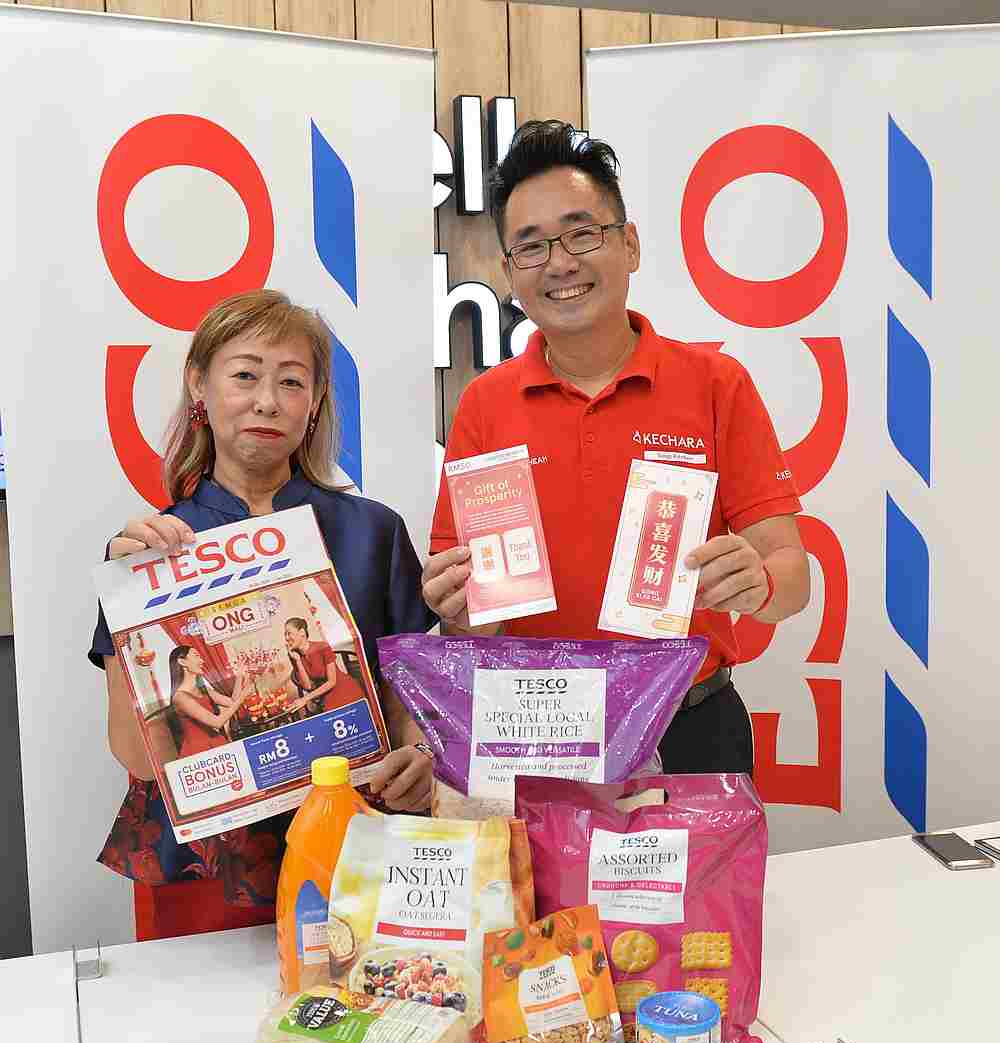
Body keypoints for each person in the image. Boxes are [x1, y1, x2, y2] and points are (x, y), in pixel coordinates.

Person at [422, 121, 810, 776]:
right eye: (532, 246)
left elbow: (792, 578)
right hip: (535, 734)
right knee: (530, 886)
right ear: (511, 272)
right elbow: (471, 621)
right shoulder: (485, 405)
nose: (561, 263)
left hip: (689, 728)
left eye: (581, 233)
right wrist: (457, 611)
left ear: (628, 244)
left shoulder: (717, 385)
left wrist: (758, 580)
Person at [91, 289, 436, 939]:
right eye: (245, 374)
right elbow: (138, 755)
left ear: (315, 404)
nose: (267, 400)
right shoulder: (149, 553)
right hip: (206, 873)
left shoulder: (374, 533)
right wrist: (126, 603)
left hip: (354, 855)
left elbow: (408, 723)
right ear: (200, 384)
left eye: (291, 381)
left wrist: (418, 765)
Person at [168, 644, 249, 758]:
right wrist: (244, 696)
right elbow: (216, 722)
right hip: (199, 753)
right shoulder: (180, 697)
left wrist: (240, 675)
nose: (202, 661)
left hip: (217, 743)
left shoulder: (203, 689)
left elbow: (232, 701)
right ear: (182, 662)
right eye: (196, 656)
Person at [283, 616, 365, 715]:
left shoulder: (322, 647)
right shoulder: (294, 655)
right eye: (285, 635)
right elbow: (308, 686)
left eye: (289, 633)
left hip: (343, 689)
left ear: (302, 632)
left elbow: (332, 682)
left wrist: (305, 699)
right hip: (324, 695)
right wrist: (298, 660)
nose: (286, 638)